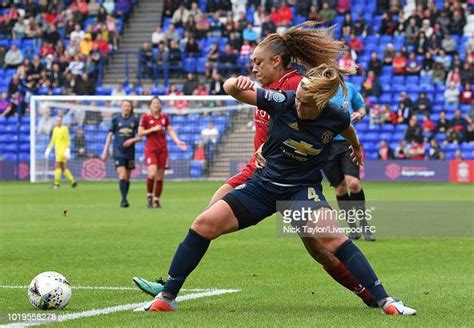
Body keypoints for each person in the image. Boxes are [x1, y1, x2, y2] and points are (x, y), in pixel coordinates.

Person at [133, 22, 379, 310]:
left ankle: (367, 293)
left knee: (321, 251)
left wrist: (274, 147)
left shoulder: (293, 86)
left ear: (276, 61)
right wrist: (238, 85)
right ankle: (170, 286)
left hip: (286, 178)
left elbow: (313, 124)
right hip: (259, 172)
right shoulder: (270, 85)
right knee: (207, 219)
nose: (254, 68)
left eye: (258, 62)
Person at [322, 81, 374, 241]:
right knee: (340, 189)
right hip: (326, 145)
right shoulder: (319, 89)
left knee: (353, 183)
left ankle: (365, 224)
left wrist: (360, 114)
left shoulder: (349, 87)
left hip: (347, 142)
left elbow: (362, 108)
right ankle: (353, 228)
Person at [138, 97, 187, 208]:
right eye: (154, 103)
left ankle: (156, 200)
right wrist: (152, 129)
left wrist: (178, 141)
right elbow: (140, 132)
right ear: (150, 105)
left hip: (162, 150)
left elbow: (170, 130)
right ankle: (149, 196)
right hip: (151, 149)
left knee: (160, 177)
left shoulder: (164, 117)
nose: (156, 105)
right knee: (152, 174)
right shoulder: (145, 117)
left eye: (158, 103)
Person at [101, 100, 141, 207]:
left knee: (127, 177)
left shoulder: (135, 120)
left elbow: (140, 136)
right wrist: (105, 151)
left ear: (131, 107)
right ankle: (124, 199)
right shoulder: (115, 119)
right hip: (118, 151)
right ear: (121, 107)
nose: (126, 108)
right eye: (125, 106)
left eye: (128, 106)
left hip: (130, 152)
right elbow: (110, 135)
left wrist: (131, 140)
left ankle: (125, 197)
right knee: (122, 174)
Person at [44, 116, 77, 189]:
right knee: (63, 167)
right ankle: (73, 181)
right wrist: (48, 149)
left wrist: (67, 150)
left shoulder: (64, 129)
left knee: (57, 166)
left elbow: (67, 139)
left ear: (61, 121)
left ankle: (56, 184)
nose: (58, 122)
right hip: (57, 151)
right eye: (57, 121)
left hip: (63, 151)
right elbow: (53, 140)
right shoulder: (55, 129)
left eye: (59, 121)